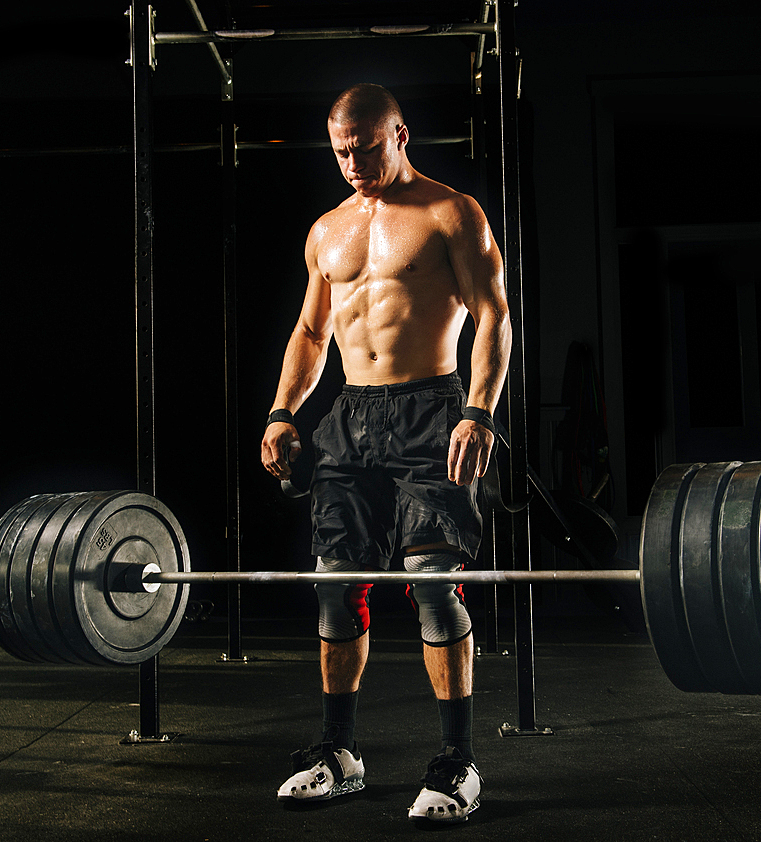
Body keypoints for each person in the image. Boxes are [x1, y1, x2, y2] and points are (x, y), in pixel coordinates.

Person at [260, 83, 510, 824]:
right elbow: (310, 335)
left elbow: (494, 314)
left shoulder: (450, 212)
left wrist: (479, 413)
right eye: (340, 150)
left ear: (400, 133)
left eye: (366, 147)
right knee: (336, 584)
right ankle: (340, 754)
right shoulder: (326, 231)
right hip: (351, 415)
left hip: (432, 409)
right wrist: (281, 412)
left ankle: (458, 763)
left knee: (432, 583)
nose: (352, 162)